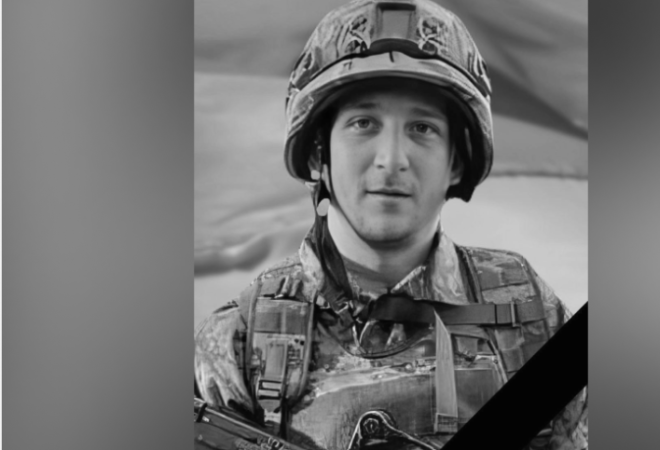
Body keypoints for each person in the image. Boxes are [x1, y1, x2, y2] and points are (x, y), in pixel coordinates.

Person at [194, 1, 587, 448]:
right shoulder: (242, 338)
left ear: (456, 162)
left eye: (422, 128)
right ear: (319, 153)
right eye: (364, 123)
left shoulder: (526, 311)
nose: (392, 159)